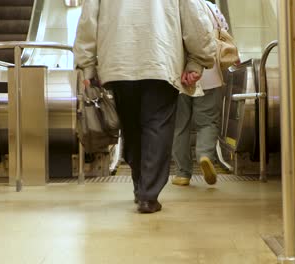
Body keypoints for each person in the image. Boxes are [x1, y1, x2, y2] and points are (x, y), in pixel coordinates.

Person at [73, 0, 216, 214]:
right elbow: (193, 16)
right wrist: (199, 58)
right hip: (160, 60)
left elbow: (88, 19)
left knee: (131, 126)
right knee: (157, 126)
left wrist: (86, 64)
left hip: (118, 62)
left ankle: (141, 184)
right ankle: (148, 195)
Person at [172, 1, 232, 187]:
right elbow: (224, 29)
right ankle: (205, 155)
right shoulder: (211, 8)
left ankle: (182, 173)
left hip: (180, 73)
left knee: (179, 125)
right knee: (207, 121)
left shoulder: (174, 7)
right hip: (209, 73)